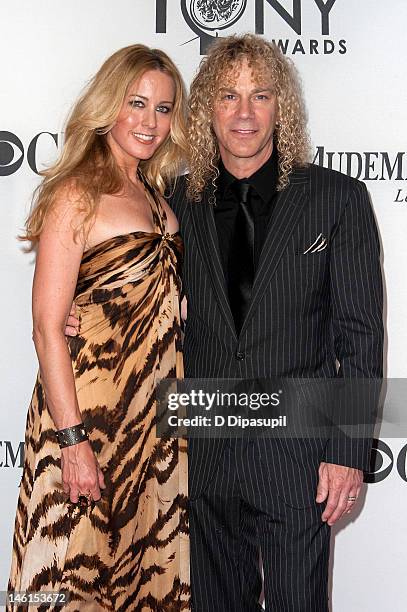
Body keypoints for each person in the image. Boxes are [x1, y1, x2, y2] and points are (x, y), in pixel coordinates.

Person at [167, 34, 383, 611]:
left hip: (300, 461)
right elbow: (133, 296)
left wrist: (347, 450)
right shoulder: (173, 201)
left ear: (280, 107)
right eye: (228, 96)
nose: (243, 113)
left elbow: (361, 336)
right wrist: (80, 322)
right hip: (206, 459)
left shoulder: (337, 199)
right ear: (206, 107)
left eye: (259, 96)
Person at [8, 44, 190, 611]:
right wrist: (72, 440)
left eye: (163, 109)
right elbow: (45, 328)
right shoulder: (76, 196)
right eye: (136, 103)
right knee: (71, 577)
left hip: (154, 430)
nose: (149, 122)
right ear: (108, 106)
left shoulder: (162, 203)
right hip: (87, 419)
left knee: (146, 582)